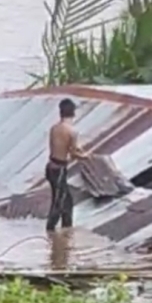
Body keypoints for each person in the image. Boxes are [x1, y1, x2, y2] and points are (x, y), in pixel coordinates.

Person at [46, 98, 89, 232]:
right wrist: (85, 156)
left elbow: (59, 147)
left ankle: (66, 232)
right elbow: (73, 154)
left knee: (67, 201)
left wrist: (76, 149)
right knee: (58, 204)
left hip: (50, 168)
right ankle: (50, 232)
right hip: (60, 170)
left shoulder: (54, 128)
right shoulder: (72, 132)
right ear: (73, 113)